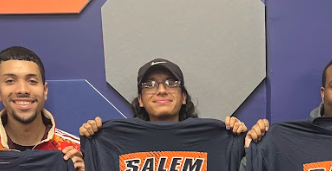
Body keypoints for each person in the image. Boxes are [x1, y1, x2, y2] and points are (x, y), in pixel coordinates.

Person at [79, 58, 248, 136]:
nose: (161, 90)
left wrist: (235, 138)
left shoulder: (211, 137)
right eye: (150, 84)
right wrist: (94, 139)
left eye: (171, 83)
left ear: (183, 97)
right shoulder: (118, 140)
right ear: (140, 100)